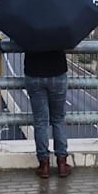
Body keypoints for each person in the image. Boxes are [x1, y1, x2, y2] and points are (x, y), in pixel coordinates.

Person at [24, 50, 71, 178]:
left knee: (40, 122)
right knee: (58, 119)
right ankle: (62, 163)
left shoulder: (29, 29)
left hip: (34, 73)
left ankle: (44, 164)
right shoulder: (59, 28)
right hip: (57, 71)